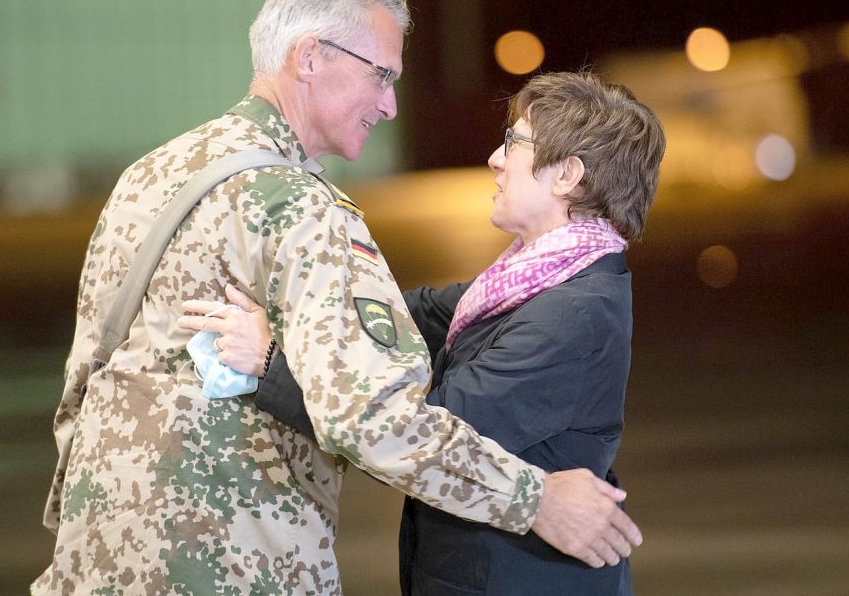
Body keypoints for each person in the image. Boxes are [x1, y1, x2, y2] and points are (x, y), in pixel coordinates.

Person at [35, 0, 641, 595]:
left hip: (98, 549)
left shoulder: (152, 174)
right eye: (381, 76)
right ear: (310, 57)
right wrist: (536, 500)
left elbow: (85, 370)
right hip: (232, 560)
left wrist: (80, 517)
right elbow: (374, 420)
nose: (390, 105)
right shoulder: (301, 207)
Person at [197, 70, 665, 594]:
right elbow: (408, 314)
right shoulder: (533, 279)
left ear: (567, 174)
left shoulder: (575, 311)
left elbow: (418, 433)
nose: (495, 157)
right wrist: (296, 301)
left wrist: (269, 363)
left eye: (514, 141)